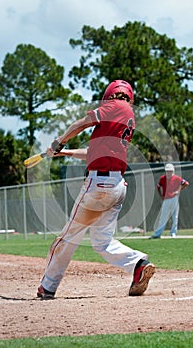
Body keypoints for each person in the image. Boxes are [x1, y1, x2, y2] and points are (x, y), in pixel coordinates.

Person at [37, 80, 155, 299]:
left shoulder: (115, 105)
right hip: (117, 186)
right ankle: (138, 263)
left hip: (97, 186)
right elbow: (92, 152)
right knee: (102, 242)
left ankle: (48, 286)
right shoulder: (126, 115)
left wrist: (58, 142)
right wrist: (63, 153)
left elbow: (82, 123)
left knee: (67, 238)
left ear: (112, 95)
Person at [149, 163, 189, 239]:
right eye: (167, 171)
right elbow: (158, 187)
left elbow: (186, 183)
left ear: (173, 171)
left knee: (175, 217)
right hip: (166, 199)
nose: (169, 173)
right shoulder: (162, 178)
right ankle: (158, 234)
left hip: (174, 199)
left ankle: (173, 233)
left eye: (170, 171)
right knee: (163, 217)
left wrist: (178, 191)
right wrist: (161, 195)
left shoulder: (177, 178)